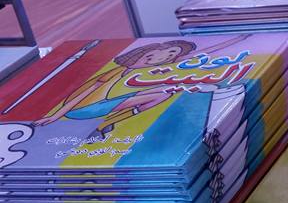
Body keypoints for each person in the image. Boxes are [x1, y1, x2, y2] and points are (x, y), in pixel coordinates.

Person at [34, 35, 250, 138]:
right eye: (155, 54)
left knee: (164, 94)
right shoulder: (115, 72)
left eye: (170, 55)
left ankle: (105, 126)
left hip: (105, 104)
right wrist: (55, 116)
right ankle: (103, 126)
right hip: (85, 109)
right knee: (161, 94)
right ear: (144, 52)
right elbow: (83, 94)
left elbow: (204, 52)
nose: (162, 58)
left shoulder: (138, 70)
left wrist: (238, 39)